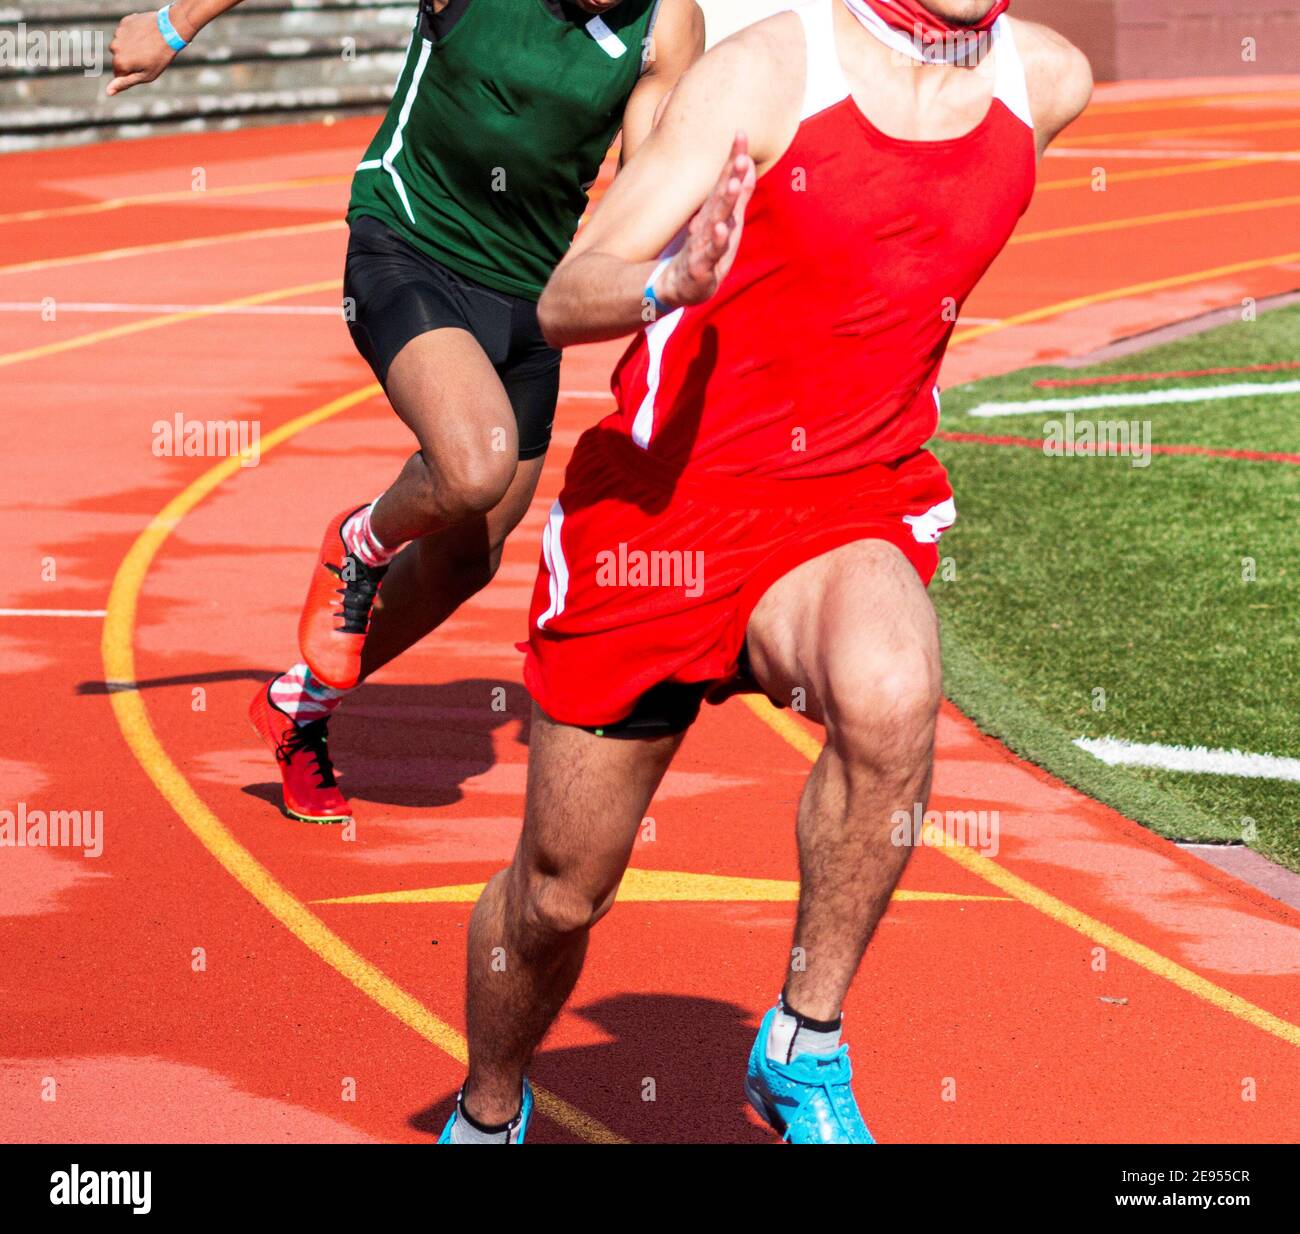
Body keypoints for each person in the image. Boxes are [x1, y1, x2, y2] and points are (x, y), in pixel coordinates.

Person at [437, 0, 1092, 1143]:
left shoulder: (1046, 82)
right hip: (661, 518)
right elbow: (563, 289)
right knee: (558, 893)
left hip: (845, 495)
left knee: (893, 692)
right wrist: (670, 284)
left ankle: (803, 1038)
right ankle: (490, 1110)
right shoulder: (764, 74)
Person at [107, 0, 704, 822]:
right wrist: (177, 24)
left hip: (527, 298)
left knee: (470, 557)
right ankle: (360, 543)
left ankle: (298, 707)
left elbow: (646, 184)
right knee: (475, 464)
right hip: (408, 244)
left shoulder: (667, 25)